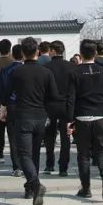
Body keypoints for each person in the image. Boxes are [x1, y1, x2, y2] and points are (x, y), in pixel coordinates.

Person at [1, 37, 62, 205]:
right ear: (37, 52)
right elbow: (54, 96)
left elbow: (6, 94)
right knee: (34, 154)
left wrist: (3, 108)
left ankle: (35, 185)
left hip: (23, 117)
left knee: (24, 155)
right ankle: (31, 189)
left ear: (22, 53)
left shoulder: (16, 72)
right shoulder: (46, 72)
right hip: (40, 117)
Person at [69, 39, 103, 201]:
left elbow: (71, 99)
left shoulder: (74, 73)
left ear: (81, 53)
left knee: (83, 154)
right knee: (101, 150)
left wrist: (70, 120)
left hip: (82, 117)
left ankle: (86, 188)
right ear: (95, 53)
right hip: (101, 115)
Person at [44, 40, 74, 176]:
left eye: (50, 50)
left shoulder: (46, 67)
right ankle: (63, 167)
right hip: (66, 105)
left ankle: (49, 164)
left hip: (50, 105)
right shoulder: (71, 67)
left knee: (49, 136)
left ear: (53, 51)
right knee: (65, 137)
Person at [0, 46, 25, 177]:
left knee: (12, 137)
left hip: (11, 105)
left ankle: (16, 166)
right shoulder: (27, 69)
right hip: (27, 105)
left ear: (12, 55)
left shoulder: (6, 70)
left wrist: (0, 105)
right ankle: (27, 164)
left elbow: (1, 89)